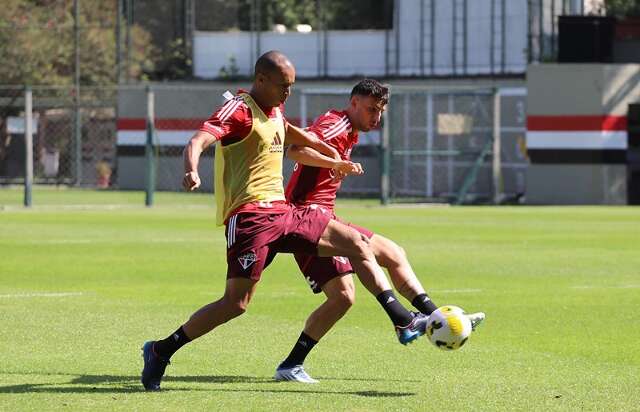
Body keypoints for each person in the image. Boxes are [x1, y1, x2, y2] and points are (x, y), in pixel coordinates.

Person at [140, 52, 430, 391]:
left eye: (292, 86)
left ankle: (402, 319)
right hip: (250, 219)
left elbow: (289, 131)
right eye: (283, 86)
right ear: (261, 80)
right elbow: (199, 139)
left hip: (285, 213)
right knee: (235, 304)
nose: (288, 93)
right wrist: (191, 168)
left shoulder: (275, 109)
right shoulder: (239, 109)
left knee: (357, 243)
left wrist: (327, 153)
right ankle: (161, 350)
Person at [274, 79, 485, 383]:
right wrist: (335, 161)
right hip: (304, 219)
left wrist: (337, 162)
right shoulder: (335, 124)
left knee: (391, 254)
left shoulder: (350, 131)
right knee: (346, 287)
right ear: (354, 103)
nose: (376, 117)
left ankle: (436, 316)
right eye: (371, 109)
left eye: (381, 111)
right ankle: (403, 322)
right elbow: (295, 150)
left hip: (324, 216)